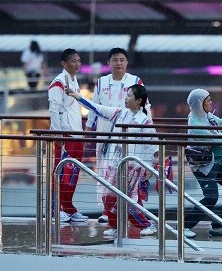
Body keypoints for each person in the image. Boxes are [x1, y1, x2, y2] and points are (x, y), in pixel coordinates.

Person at [66, 84, 158, 236]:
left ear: (138, 100)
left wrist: (147, 168)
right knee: (107, 196)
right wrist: (77, 96)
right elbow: (97, 109)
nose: (126, 98)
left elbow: (151, 146)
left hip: (133, 167)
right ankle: (115, 226)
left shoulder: (145, 122)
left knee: (125, 200)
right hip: (115, 164)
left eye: (129, 96)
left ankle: (146, 224)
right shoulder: (120, 113)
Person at [85, 47, 150, 224]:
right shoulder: (101, 82)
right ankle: (107, 211)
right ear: (109, 63)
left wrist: (147, 130)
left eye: (122, 59)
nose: (118, 63)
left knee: (131, 172)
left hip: (129, 134)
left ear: (127, 62)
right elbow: (94, 106)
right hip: (105, 133)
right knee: (105, 172)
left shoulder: (135, 80)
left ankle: (134, 207)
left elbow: (145, 106)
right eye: (115, 60)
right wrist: (90, 127)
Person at [183, 88, 222, 238]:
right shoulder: (195, 124)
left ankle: (218, 226)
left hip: (220, 161)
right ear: (199, 104)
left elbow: (220, 124)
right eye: (208, 101)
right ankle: (185, 225)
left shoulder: (206, 116)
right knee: (211, 197)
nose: (211, 102)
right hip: (204, 165)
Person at [48, 48, 89, 223]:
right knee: (61, 171)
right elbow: (54, 109)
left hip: (76, 133)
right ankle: (55, 209)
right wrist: (58, 133)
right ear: (64, 64)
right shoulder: (58, 82)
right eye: (73, 61)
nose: (77, 64)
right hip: (65, 134)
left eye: (79, 60)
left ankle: (69, 208)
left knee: (73, 173)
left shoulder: (74, 80)